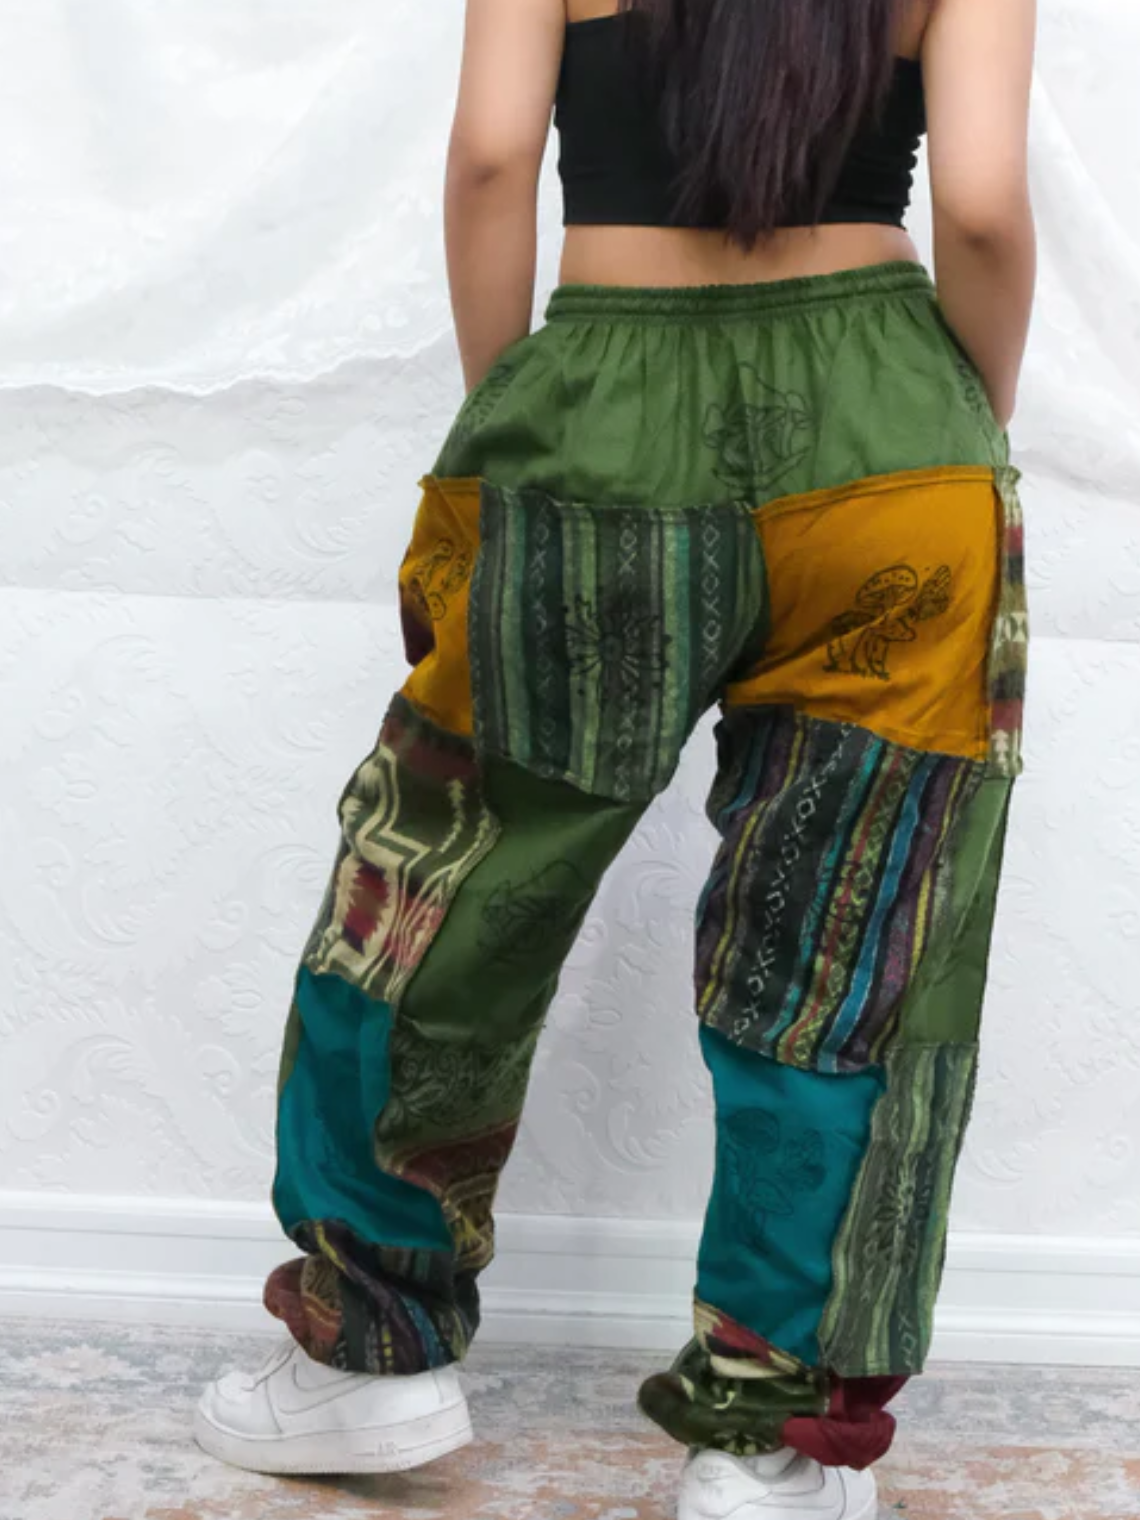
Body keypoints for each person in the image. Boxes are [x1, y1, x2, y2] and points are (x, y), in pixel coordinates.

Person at [194, 0, 1036, 1515]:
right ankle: (766, 1443)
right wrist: (957, 427)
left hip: (602, 409)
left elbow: (491, 156)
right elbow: (979, 206)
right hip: (896, 441)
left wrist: (509, 410)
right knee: (846, 944)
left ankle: (367, 1365)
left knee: (439, 887)